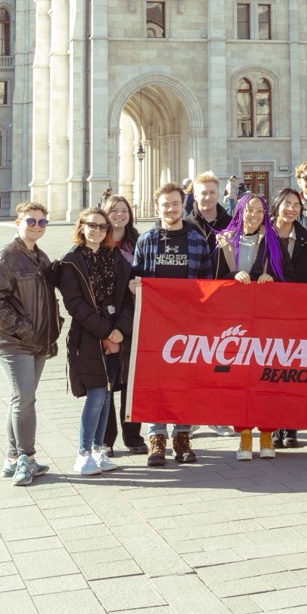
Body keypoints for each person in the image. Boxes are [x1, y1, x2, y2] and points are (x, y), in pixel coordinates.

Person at [131, 182, 213, 467]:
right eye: (165, 204)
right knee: (156, 382)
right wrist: (134, 285)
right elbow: (137, 277)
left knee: (185, 382)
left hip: (187, 324)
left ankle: (182, 437)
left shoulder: (197, 240)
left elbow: (207, 284)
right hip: (156, 326)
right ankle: (157, 439)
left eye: (175, 203)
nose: (171, 208)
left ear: (183, 205)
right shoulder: (147, 240)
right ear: (158, 208)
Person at [0, 201, 62, 488]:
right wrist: (24, 330)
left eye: (42, 222)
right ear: (18, 223)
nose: (37, 227)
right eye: (31, 221)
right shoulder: (7, 256)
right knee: (24, 399)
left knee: (21, 399)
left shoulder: (39, 257)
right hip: (13, 342)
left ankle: (13, 458)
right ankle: (26, 458)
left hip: (35, 340)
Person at [56, 209, 134, 475]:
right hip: (88, 336)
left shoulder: (116, 258)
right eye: (92, 225)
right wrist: (105, 332)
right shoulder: (71, 261)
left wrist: (120, 330)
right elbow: (75, 305)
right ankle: (83, 453)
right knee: (97, 394)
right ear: (82, 227)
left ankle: (99, 451)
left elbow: (126, 298)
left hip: (114, 333)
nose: (98, 230)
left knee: (108, 393)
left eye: (102, 226)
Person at [216, 192, 293, 460]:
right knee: (241, 380)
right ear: (239, 211)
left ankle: (267, 435)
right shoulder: (223, 241)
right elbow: (209, 279)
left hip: (265, 322)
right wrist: (231, 276)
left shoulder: (274, 241)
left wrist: (273, 278)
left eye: (260, 211)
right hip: (234, 322)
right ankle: (245, 436)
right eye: (249, 210)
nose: (254, 215)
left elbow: (290, 277)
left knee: (266, 378)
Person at [270, 187, 307, 449]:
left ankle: (290, 427)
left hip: (297, 318)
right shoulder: (261, 237)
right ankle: (271, 426)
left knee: (291, 373)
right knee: (268, 374)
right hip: (266, 318)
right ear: (276, 206)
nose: (292, 209)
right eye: (287, 203)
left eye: (297, 205)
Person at [102, 195, 146, 455]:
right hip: (105, 324)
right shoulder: (97, 242)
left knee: (132, 381)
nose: (119, 215)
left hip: (134, 320)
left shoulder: (138, 242)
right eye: (114, 210)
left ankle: (132, 436)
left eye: (124, 210)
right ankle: (106, 439)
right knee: (106, 383)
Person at [184, 171, 230, 267]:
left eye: (212, 192)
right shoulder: (184, 225)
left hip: (224, 279)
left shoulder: (231, 224)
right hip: (194, 280)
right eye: (203, 193)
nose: (208, 197)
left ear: (218, 194)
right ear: (195, 196)